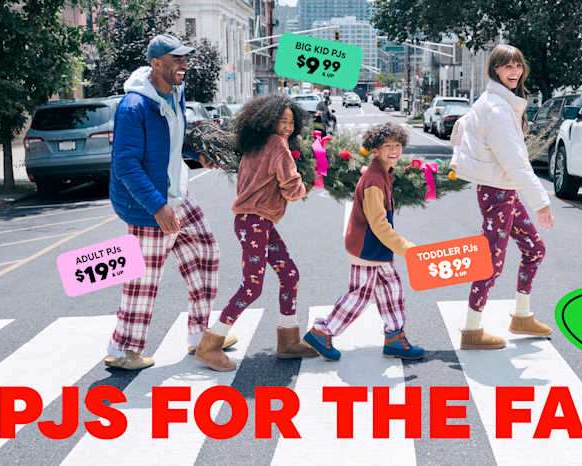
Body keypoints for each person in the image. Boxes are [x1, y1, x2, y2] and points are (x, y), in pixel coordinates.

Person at [104, 34, 236, 370]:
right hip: (149, 204)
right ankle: (123, 350)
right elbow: (125, 165)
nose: (184, 65)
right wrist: (157, 208)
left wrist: (198, 154)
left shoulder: (174, 93)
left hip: (177, 195)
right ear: (156, 63)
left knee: (206, 253)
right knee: (143, 279)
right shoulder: (134, 107)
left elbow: (175, 139)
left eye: (185, 59)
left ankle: (199, 335)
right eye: (177, 59)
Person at [196, 94, 317, 372]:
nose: (287, 127)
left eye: (290, 122)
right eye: (282, 121)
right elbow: (289, 184)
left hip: (254, 221)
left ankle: (288, 340)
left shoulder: (255, 143)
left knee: (289, 274)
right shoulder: (277, 145)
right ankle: (210, 343)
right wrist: (304, 187)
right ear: (268, 121)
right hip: (255, 222)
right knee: (252, 286)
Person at [450, 44, 555, 351]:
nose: (514, 71)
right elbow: (515, 162)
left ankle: (521, 316)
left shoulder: (498, 103)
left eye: (518, 66)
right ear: (495, 69)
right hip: (498, 192)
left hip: (503, 190)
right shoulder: (496, 108)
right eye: (507, 66)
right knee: (489, 263)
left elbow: (461, 130)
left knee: (534, 248)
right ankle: (472, 330)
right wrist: (542, 203)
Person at [303, 123, 424, 361]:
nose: (394, 150)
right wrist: (406, 248)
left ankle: (394, 336)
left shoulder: (382, 174)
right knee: (359, 295)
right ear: (375, 150)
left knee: (392, 289)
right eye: (387, 146)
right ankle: (322, 331)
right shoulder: (374, 180)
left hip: (375, 247)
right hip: (367, 247)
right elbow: (379, 224)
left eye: (398, 145)